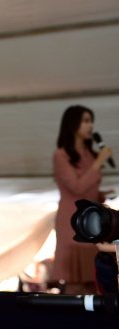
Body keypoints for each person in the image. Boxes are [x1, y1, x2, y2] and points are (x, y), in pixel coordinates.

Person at [52, 105, 113, 294]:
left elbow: (87, 189)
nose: (90, 126)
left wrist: (101, 194)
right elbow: (76, 188)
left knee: (93, 279)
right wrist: (99, 161)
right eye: (86, 121)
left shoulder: (89, 154)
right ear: (73, 124)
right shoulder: (61, 155)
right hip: (72, 220)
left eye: (91, 121)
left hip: (92, 219)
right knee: (75, 281)